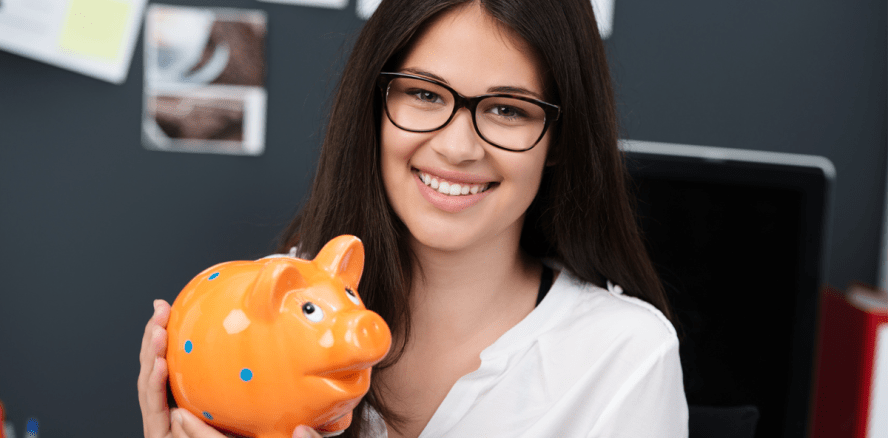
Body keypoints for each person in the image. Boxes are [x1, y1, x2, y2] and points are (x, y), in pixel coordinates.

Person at [138, 0, 689, 437]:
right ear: (373, 108)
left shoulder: (625, 356)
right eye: (425, 94)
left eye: (507, 109)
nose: (457, 147)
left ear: (560, 139)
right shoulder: (269, 309)